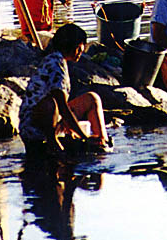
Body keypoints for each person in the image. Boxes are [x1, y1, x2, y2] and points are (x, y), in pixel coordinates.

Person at [19, 23, 111, 155]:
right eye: (80, 46)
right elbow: (62, 106)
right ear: (72, 45)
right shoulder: (55, 64)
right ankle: (53, 143)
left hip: (49, 119)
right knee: (51, 104)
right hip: (35, 128)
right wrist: (83, 137)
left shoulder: (59, 61)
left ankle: (101, 141)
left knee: (92, 98)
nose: (82, 50)